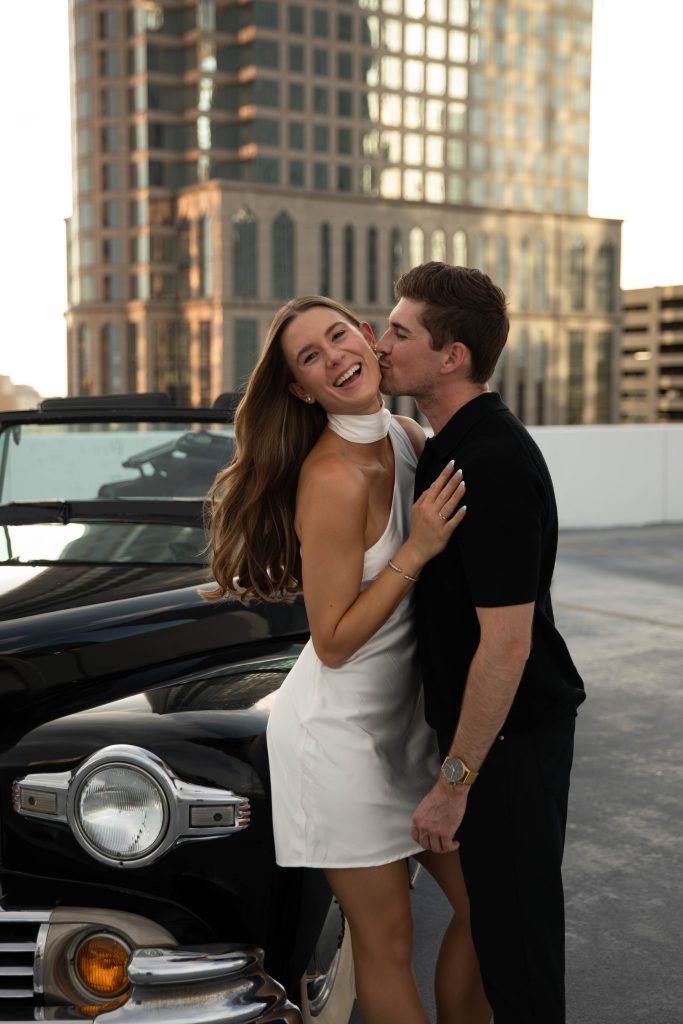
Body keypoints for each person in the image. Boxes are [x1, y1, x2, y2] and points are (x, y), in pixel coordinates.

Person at [205, 295, 492, 1024]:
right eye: (310, 356)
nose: (333, 355)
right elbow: (330, 640)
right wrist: (414, 551)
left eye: (338, 335)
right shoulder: (329, 478)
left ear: (365, 339)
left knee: (488, 904)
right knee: (387, 941)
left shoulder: (403, 435)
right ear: (302, 389)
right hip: (336, 738)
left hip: (407, 728)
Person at [377, 261, 586, 1024]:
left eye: (398, 332)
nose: (380, 343)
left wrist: (453, 781)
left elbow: (506, 645)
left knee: (519, 954)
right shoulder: (449, 441)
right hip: (493, 736)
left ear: (451, 354)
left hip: (512, 742)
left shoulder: (487, 461)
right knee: (498, 936)